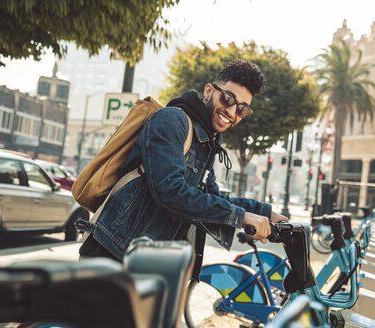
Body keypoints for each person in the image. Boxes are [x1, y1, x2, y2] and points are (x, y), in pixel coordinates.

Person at [78, 59, 288, 276]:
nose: (232, 111)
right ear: (209, 91)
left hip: (152, 265)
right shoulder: (172, 121)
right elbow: (170, 192)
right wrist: (242, 217)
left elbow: (213, 199)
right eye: (228, 98)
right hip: (113, 256)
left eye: (242, 109)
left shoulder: (207, 144)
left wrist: (266, 213)